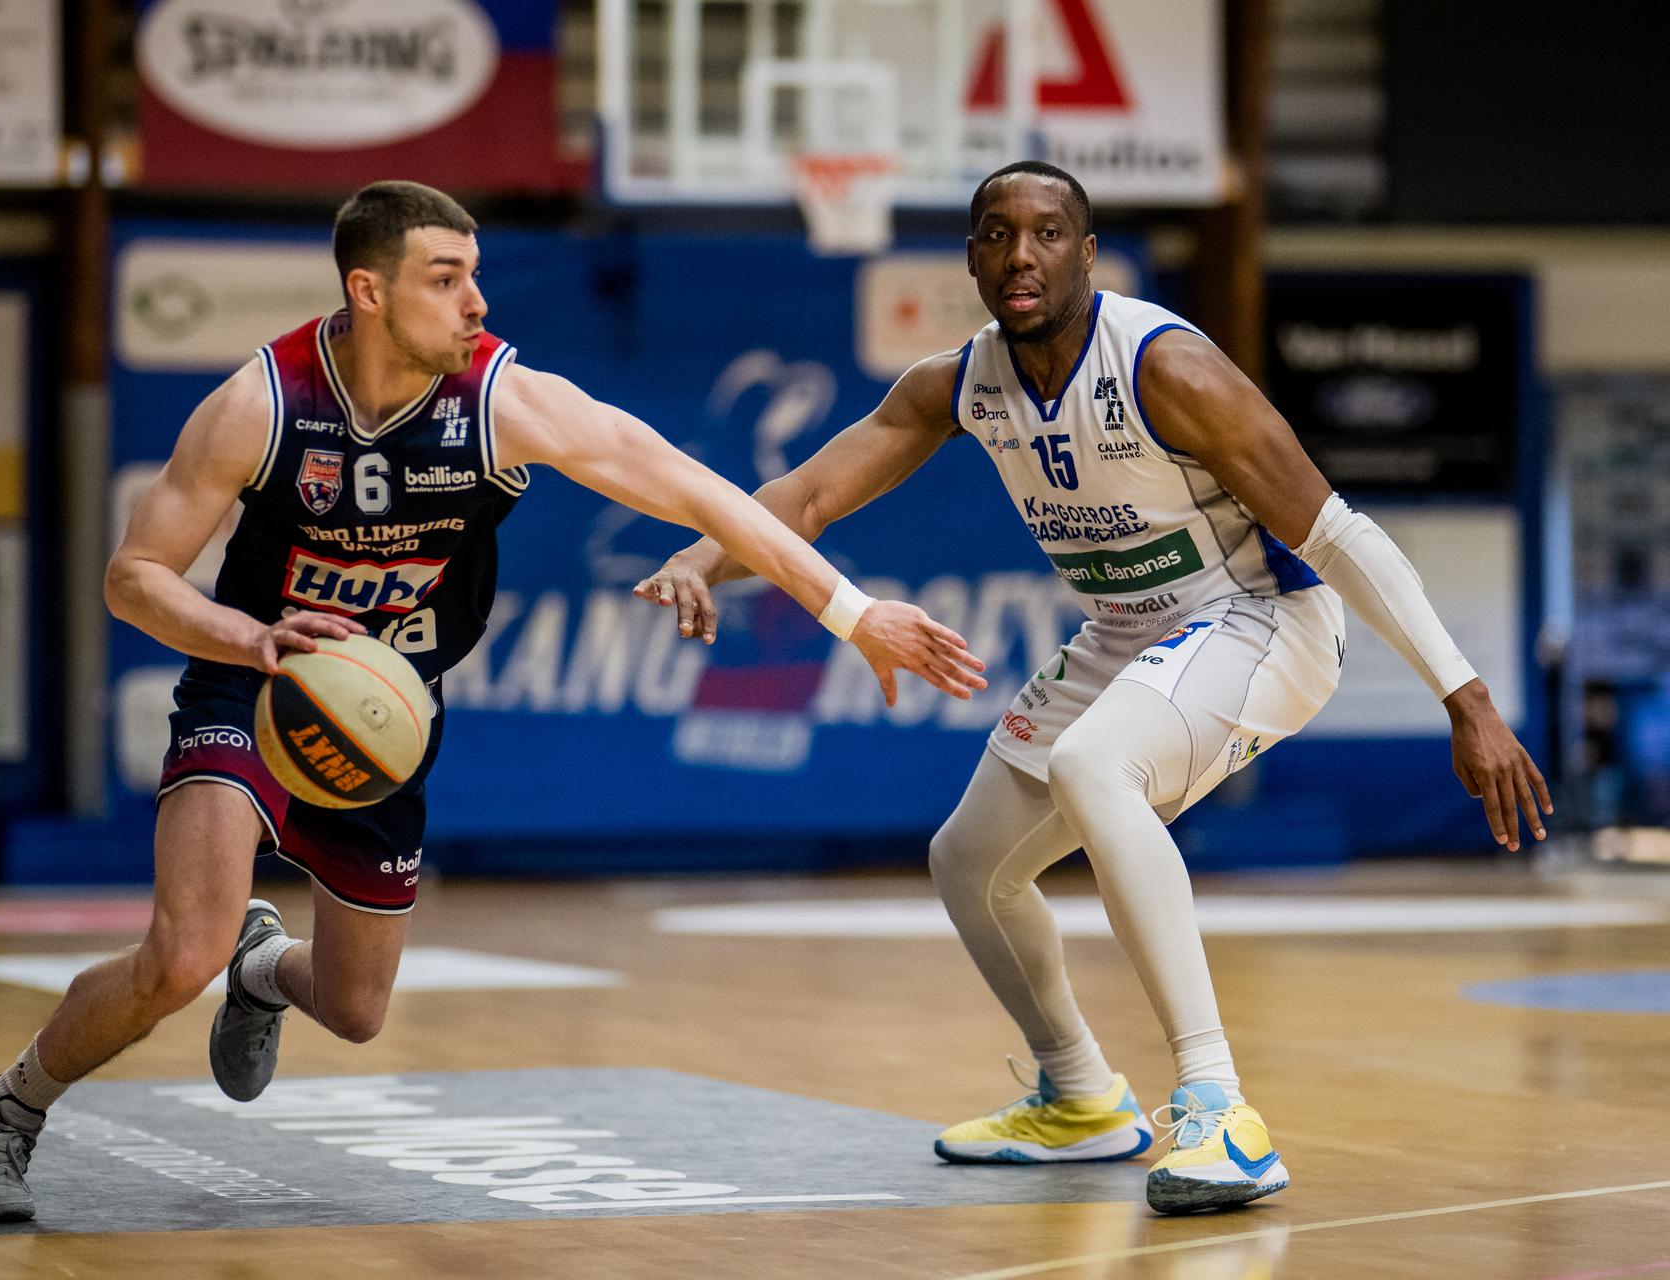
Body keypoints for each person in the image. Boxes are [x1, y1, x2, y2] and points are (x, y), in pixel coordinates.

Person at [0, 180, 986, 1224]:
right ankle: (8, 1109)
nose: (478, 302)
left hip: (388, 712)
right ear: (368, 290)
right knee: (181, 951)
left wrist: (853, 615)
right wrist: (250, 636)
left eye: (477, 275)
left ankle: (263, 969)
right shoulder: (262, 404)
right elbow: (134, 576)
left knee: (355, 1010)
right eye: (446, 279)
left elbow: (698, 490)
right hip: (254, 682)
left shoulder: (506, 401)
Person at [634, 160, 1551, 1215]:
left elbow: (1340, 534)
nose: (1019, 254)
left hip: (1265, 621)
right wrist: (703, 559)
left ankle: (1220, 1109)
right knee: (968, 862)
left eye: (1046, 232)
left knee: (1092, 765)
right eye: (995, 234)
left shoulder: (1169, 367)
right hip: (1129, 629)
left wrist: (1467, 695)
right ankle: (1078, 1094)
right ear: (972, 254)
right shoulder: (959, 381)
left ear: (1087, 252)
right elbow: (805, 494)